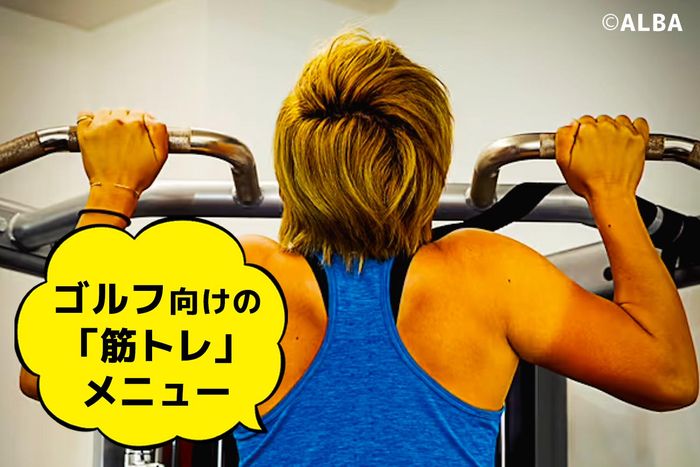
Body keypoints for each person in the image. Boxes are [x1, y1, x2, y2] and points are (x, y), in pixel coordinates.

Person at [20, 31, 698, 465]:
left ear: (295, 162)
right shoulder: (487, 276)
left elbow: (49, 370)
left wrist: (113, 188)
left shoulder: (248, 275)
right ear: (428, 161)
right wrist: (611, 193)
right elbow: (669, 375)